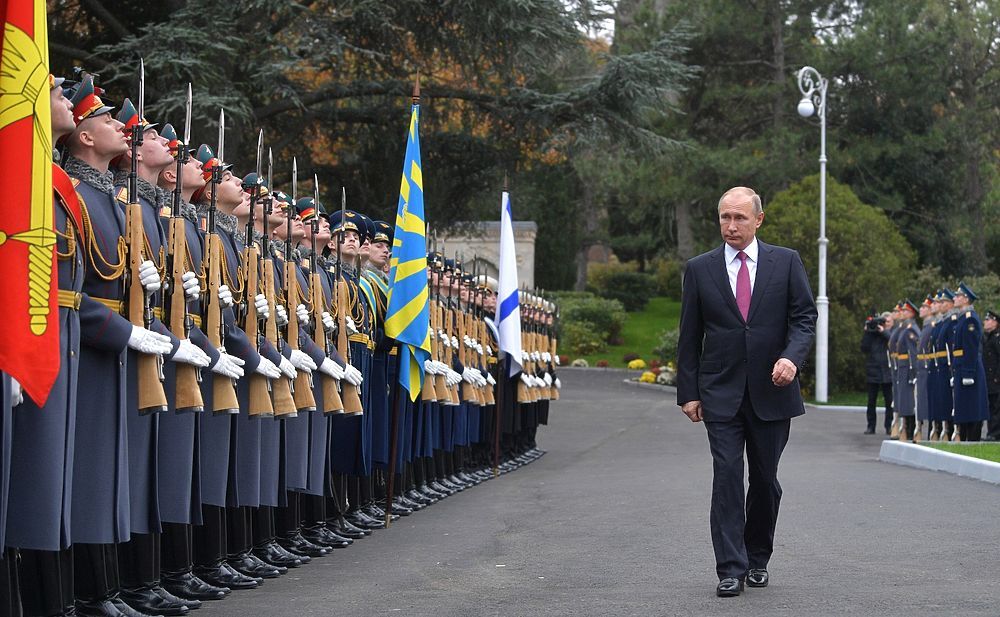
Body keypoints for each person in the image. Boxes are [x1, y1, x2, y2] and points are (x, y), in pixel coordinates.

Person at [676, 186, 816, 598]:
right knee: (727, 475)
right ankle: (731, 568)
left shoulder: (786, 262)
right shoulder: (700, 269)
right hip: (719, 392)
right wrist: (688, 391)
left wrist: (791, 358)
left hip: (773, 392)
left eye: (739, 218)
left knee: (766, 479)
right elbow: (690, 335)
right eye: (724, 217)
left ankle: (758, 557)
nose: (731, 226)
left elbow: (804, 318)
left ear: (759, 220)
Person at [950, 283, 989, 441]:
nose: (955, 298)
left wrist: (967, 373)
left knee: (972, 408)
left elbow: (971, 349)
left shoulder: (970, 320)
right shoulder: (962, 319)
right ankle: (965, 439)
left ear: (966, 299)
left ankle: (972, 440)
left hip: (969, 369)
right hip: (962, 367)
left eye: (958, 296)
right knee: (964, 408)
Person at [861, 311, 894, 435]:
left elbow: (894, 342)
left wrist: (883, 331)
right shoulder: (872, 334)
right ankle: (871, 426)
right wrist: (867, 332)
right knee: (871, 401)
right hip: (873, 369)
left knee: (889, 401)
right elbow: (864, 348)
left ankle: (889, 426)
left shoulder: (891, 333)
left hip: (887, 370)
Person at [982, 310, 1000, 440]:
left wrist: (997, 377)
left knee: (996, 408)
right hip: (988, 379)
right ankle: (991, 432)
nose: (985, 322)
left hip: (995, 379)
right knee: (991, 406)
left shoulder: (997, 338)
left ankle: (995, 433)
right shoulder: (987, 337)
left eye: (988, 320)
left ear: (995, 322)